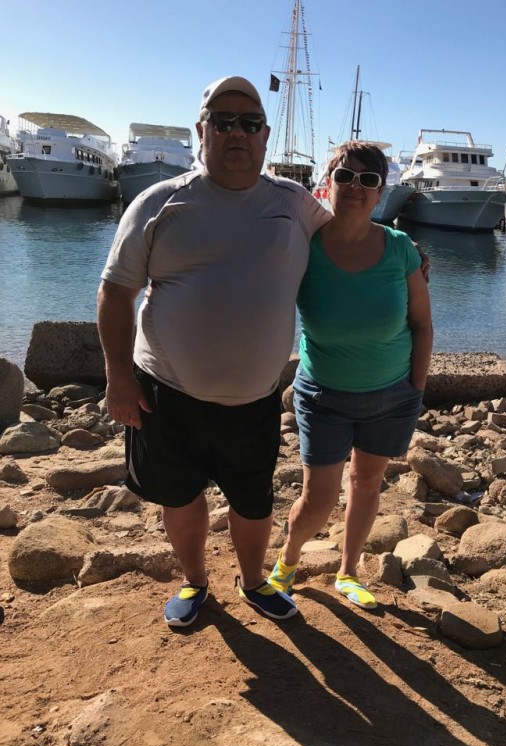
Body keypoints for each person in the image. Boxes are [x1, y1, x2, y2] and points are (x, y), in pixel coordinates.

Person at [97, 76, 331, 626]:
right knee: (179, 497)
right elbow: (115, 292)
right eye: (223, 122)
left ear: (265, 136)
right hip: (165, 392)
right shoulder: (159, 202)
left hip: (255, 397)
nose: (236, 133)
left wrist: (402, 252)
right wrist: (117, 377)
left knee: (253, 501)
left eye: (249, 123)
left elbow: (349, 240)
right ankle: (195, 581)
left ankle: (253, 582)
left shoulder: (294, 203)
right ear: (202, 131)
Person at [268, 141, 433, 611]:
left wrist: (416, 388)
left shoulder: (400, 249)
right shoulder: (304, 247)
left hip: (392, 395)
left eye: (368, 179)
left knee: (366, 484)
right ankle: (287, 560)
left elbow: (422, 325)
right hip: (324, 396)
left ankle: (348, 571)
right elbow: (259, 291)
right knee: (317, 500)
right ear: (328, 184)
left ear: (380, 191)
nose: (355, 186)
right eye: (345, 176)